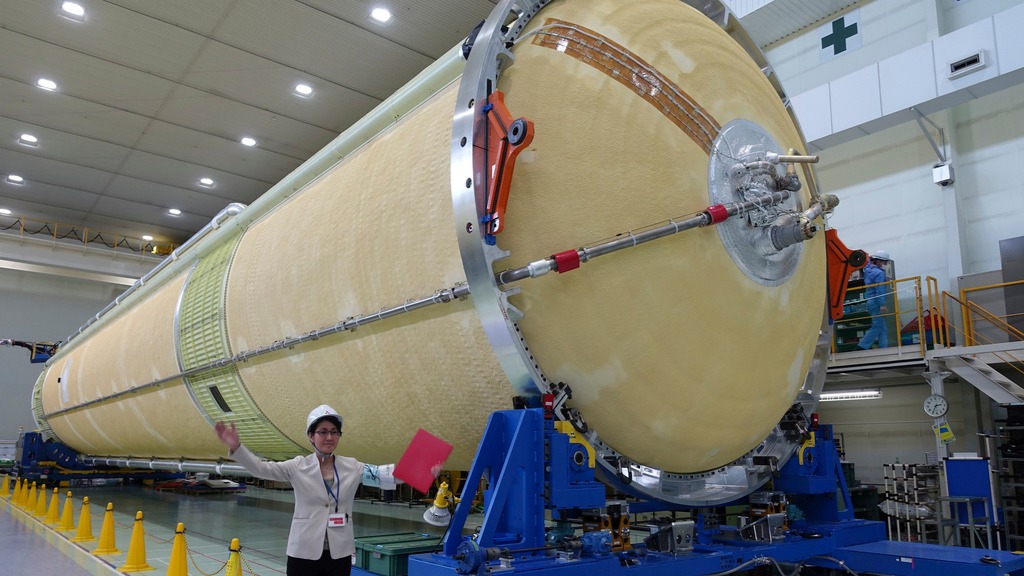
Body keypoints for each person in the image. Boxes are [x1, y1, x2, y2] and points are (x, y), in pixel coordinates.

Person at [215, 404, 400, 576]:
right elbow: (261, 469)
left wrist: (418, 470)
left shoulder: (352, 466)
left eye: (334, 432)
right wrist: (237, 447)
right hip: (303, 552)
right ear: (311, 436)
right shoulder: (298, 466)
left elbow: (386, 475)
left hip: (339, 553)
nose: (329, 437)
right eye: (323, 432)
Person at [858, 250, 890, 350]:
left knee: (882, 328)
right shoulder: (879, 273)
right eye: (884, 262)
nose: (885, 264)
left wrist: (869, 259)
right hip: (876, 302)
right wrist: (882, 304)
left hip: (870, 301)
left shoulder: (867, 270)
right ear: (878, 261)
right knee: (877, 326)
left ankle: (883, 348)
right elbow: (880, 290)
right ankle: (862, 346)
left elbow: (867, 264)